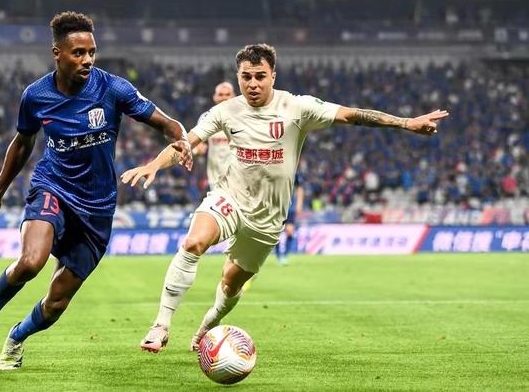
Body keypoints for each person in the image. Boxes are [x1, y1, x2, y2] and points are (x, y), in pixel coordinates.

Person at [121, 43, 448, 353]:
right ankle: (161, 325)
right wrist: (154, 165)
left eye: (260, 76)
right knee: (194, 242)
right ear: (238, 77)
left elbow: (352, 115)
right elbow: (185, 142)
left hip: (268, 218)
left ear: (273, 76)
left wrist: (406, 122)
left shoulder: (297, 107)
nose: (252, 84)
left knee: (231, 283)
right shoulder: (225, 111)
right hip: (229, 197)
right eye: (246, 77)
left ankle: (210, 322)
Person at [0, 11, 192, 370]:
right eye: (78, 53)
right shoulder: (36, 95)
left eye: (92, 52)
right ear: (57, 53)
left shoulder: (113, 88)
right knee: (31, 262)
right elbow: (23, 143)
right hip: (53, 186)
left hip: (97, 207)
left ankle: (17, 336)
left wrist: (180, 138)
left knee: (56, 302)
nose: (87, 59)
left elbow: (166, 123)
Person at [192, 82, 236, 189]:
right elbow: (196, 146)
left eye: (227, 94)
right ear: (214, 97)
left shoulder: (243, 117)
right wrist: (197, 151)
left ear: (234, 96)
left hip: (239, 179)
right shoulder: (206, 118)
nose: (224, 98)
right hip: (216, 180)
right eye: (220, 94)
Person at [274, 172, 304, 266]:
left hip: (290, 207)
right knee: (276, 233)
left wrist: (299, 204)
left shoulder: (294, 173)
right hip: (277, 207)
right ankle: (278, 256)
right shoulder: (276, 170)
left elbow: (299, 189)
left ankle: (285, 256)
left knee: (290, 231)